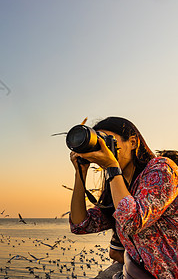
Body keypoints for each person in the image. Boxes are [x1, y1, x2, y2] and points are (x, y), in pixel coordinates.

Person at [68, 117, 178, 279]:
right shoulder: (117, 186)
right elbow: (81, 225)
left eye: (107, 142)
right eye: (98, 144)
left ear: (133, 142)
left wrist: (112, 167)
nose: (103, 149)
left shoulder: (161, 168)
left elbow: (132, 221)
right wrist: (80, 173)